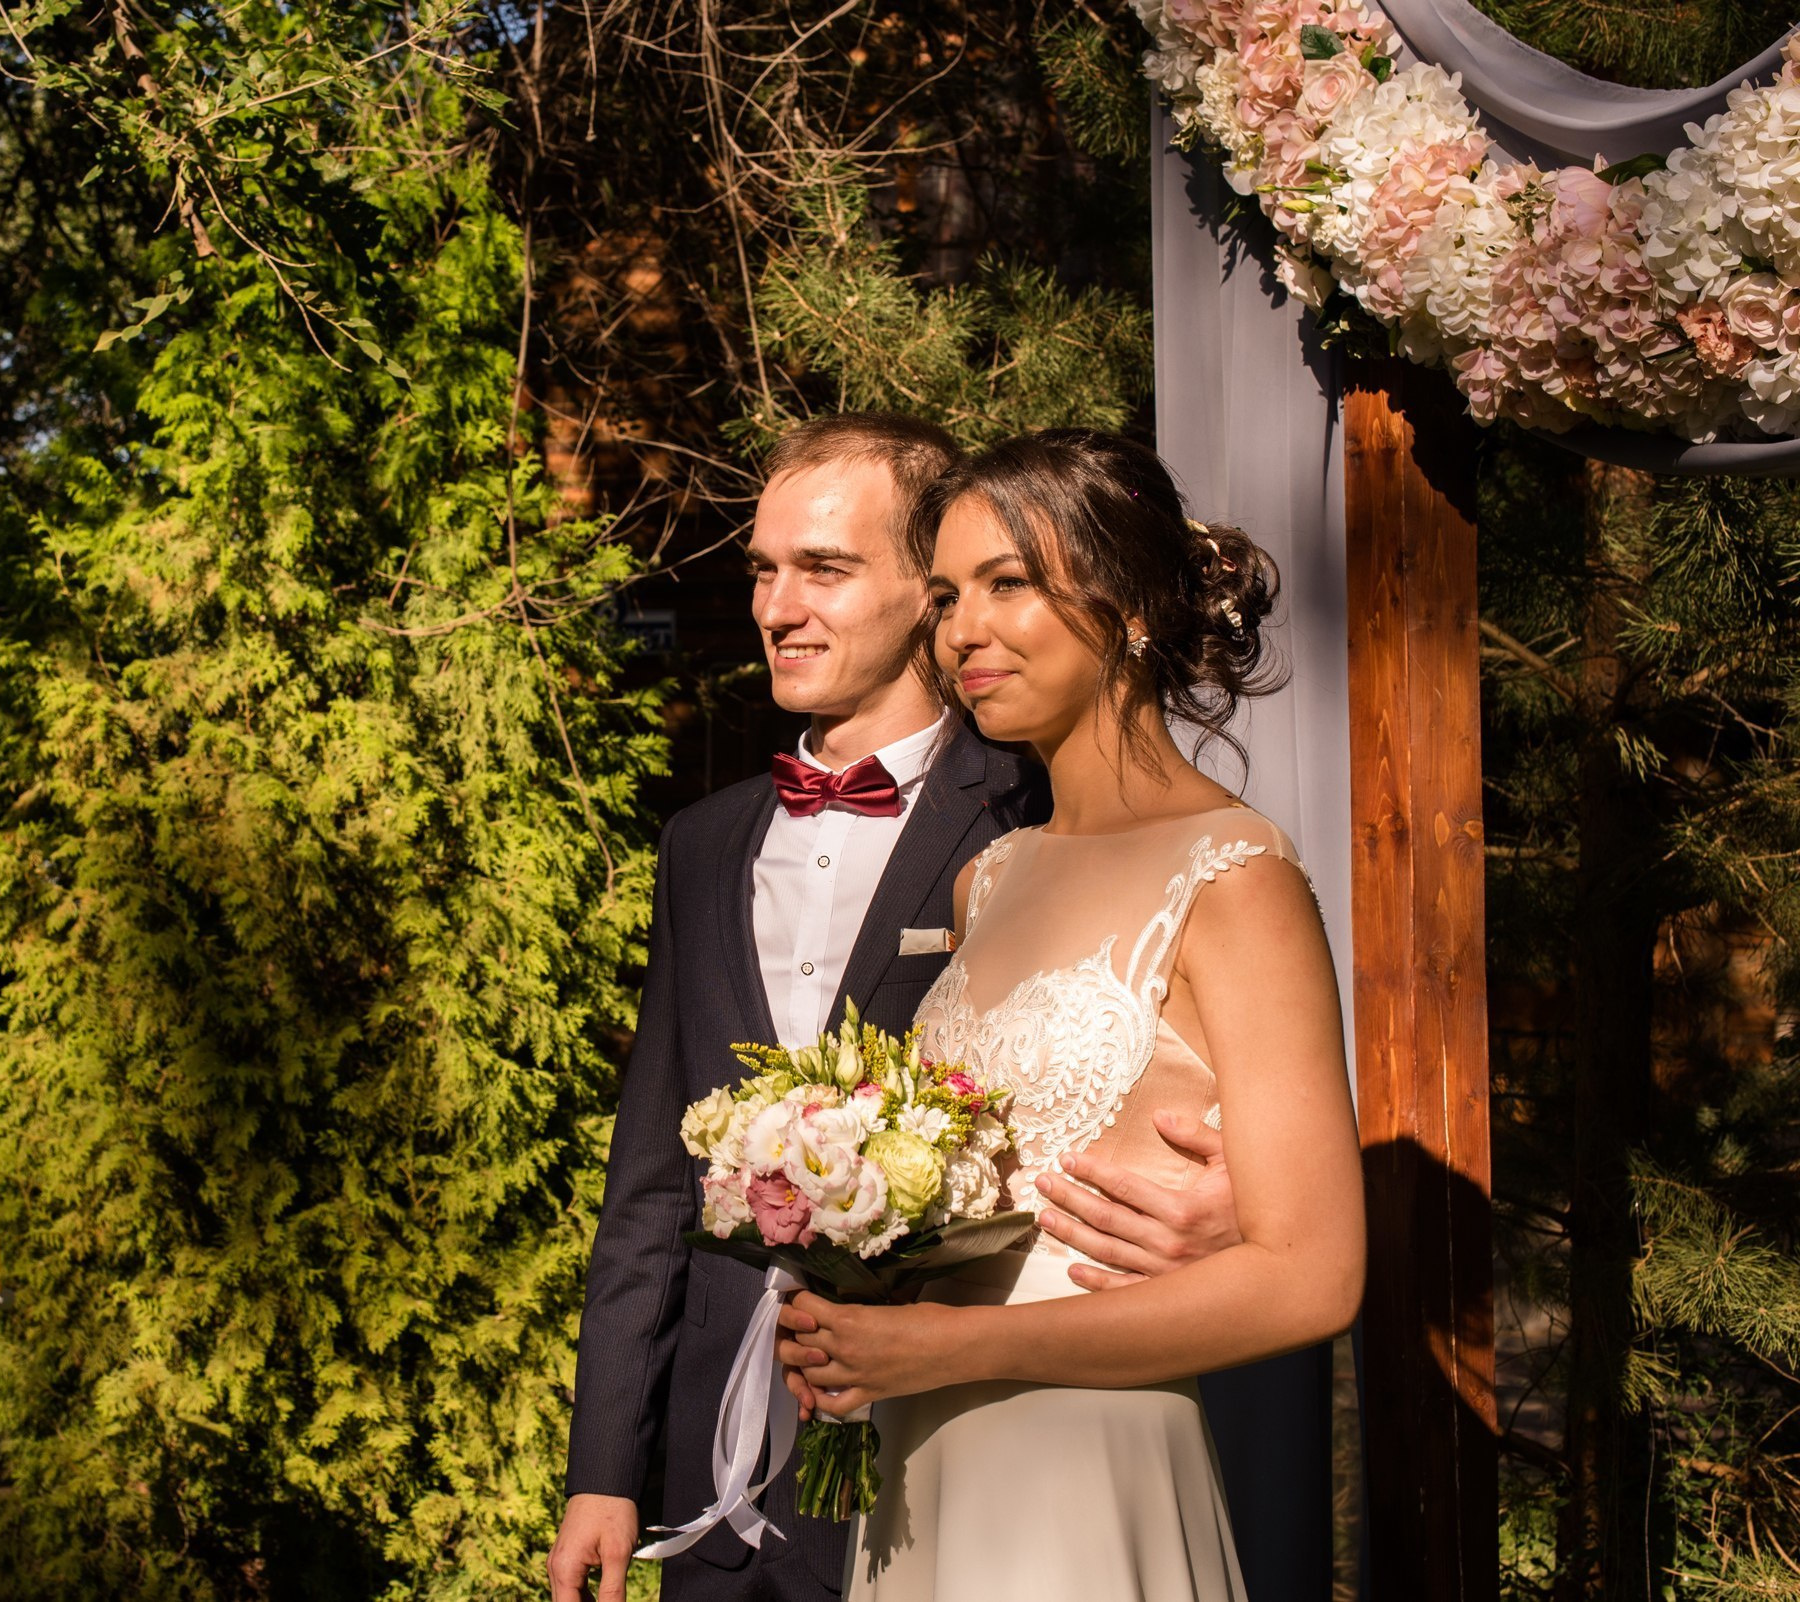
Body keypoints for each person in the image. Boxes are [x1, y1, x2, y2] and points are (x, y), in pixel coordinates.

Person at [549, 415, 1249, 1602]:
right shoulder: (702, 846)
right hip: (712, 1496)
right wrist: (603, 1469)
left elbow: (1189, 1047)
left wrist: (1240, 1203)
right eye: (762, 571)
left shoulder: (1044, 819)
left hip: (944, 1453)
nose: (776, 607)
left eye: (822, 569)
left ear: (927, 598)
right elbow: (651, 1190)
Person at [772, 429, 1366, 1600]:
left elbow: (1315, 1278)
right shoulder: (990, 877)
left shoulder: (1234, 875)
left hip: (1085, 1470)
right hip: (924, 1462)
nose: (962, 632)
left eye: (1009, 584)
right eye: (946, 595)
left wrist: (953, 1345)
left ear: (1131, 605)